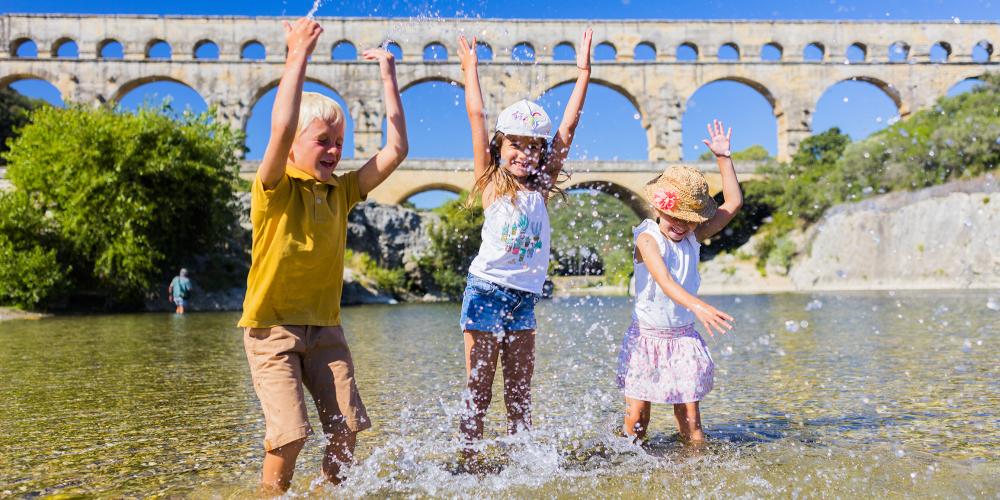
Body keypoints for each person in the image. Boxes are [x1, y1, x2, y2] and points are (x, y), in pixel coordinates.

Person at [237, 17, 408, 494]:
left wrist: (389, 77)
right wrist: (298, 57)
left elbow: (396, 149)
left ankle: (328, 491)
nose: (334, 150)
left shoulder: (344, 190)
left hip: (326, 326)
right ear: (292, 148)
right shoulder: (273, 187)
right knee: (290, 437)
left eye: (339, 142)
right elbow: (282, 124)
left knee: (347, 428)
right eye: (322, 141)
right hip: (272, 329)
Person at [455, 29, 593, 452]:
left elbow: (567, 129)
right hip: (486, 291)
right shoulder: (491, 182)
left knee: (519, 395)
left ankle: (522, 465)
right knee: (479, 392)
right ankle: (467, 461)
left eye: (534, 147)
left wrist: (583, 73)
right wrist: (470, 71)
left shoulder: (541, 185)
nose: (525, 154)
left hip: (525, 299)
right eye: (516, 144)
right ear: (501, 146)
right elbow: (477, 119)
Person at [616, 120, 743, 444]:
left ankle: (694, 474)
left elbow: (732, 204)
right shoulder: (647, 238)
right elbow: (665, 281)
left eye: (690, 219)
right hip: (647, 338)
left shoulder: (693, 236)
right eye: (676, 216)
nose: (682, 225)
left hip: (683, 338)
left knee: (691, 422)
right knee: (638, 418)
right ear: (659, 207)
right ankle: (625, 467)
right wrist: (699, 306)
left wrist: (723, 158)